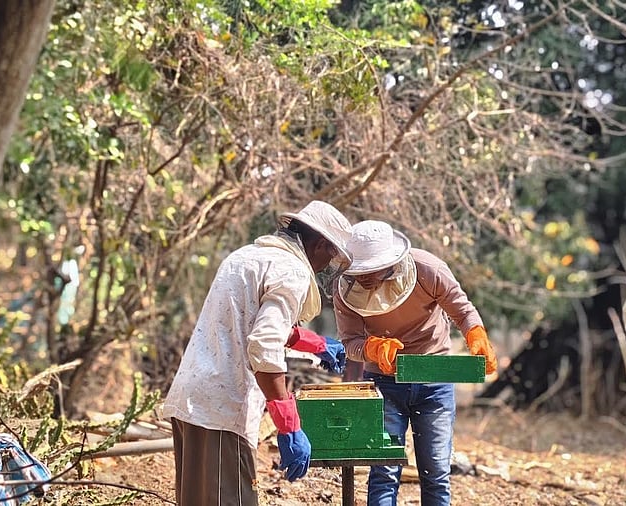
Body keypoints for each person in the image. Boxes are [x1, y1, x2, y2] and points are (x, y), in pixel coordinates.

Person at [162, 201, 352, 505]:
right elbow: (263, 344)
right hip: (224, 408)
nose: (326, 267)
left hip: (193, 399)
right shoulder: (293, 270)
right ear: (319, 245)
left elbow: (245, 323)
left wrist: (316, 344)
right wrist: (289, 425)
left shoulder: (247, 257)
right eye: (330, 257)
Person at [334, 220, 498, 506]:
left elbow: (462, 309)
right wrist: (372, 348)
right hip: (384, 382)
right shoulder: (344, 291)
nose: (365, 278)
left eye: (372, 271)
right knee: (384, 468)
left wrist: (476, 333)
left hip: (434, 379)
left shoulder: (428, 269)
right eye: (360, 272)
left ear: (391, 263)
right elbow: (350, 344)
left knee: (435, 469)